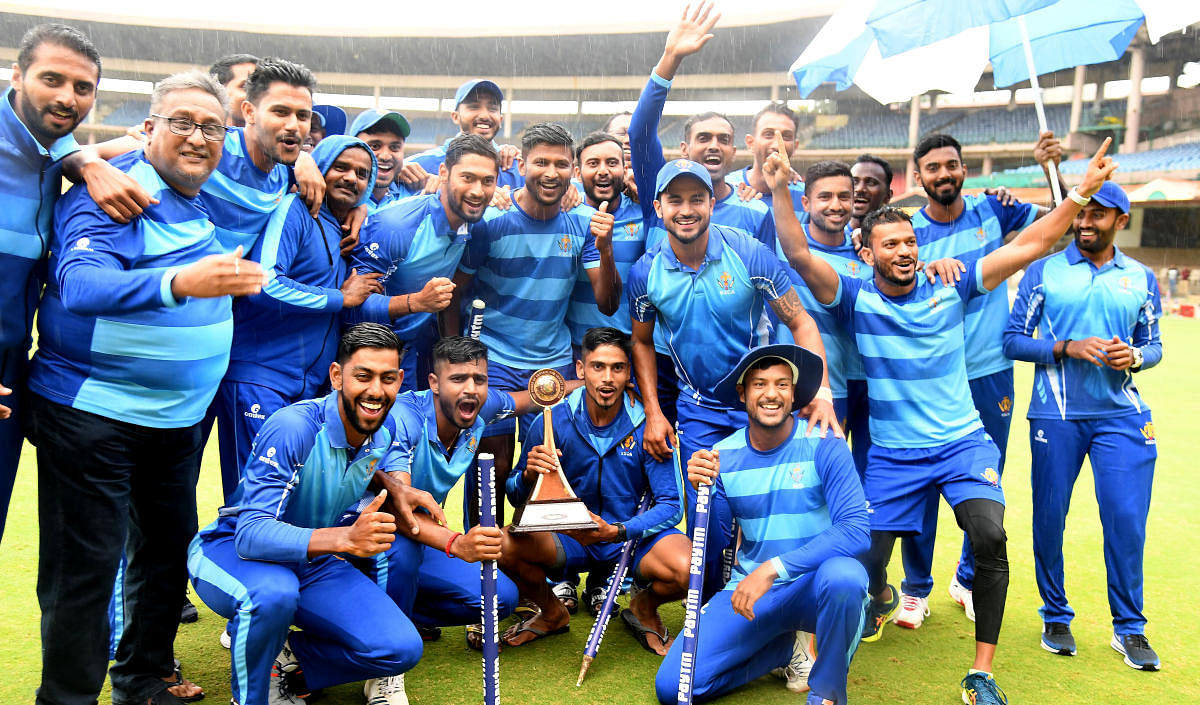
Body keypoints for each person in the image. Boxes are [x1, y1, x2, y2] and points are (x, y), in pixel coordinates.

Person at [768, 134, 1118, 704]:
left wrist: (1079, 192)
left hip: (962, 446)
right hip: (893, 457)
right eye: (890, 245)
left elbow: (1032, 243)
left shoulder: (952, 287)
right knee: (863, 569)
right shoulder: (857, 300)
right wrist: (781, 186)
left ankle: (980, 673)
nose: (904, 251)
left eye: (910, 241)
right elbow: (799, 254)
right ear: (868, 254)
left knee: (989, 534)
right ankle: (874, 610)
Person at [24, 71, 266, 705]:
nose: (197, 138)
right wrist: (180, 283)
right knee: (88, 567)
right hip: (94, 411)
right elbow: (82, 286)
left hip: (176, 418)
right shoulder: (116, 189)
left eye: (211, 127)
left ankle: (143, 677)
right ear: (150, 128)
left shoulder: (200, 199)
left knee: (164, 552)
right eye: (181, 122)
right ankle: (68, 698)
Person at [189, 323, 441, 705]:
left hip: (312, 558)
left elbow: (355, 466)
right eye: (363, 376)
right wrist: (344, 539)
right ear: (337, 376)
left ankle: (282, 654)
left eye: (387, 379)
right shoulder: (294, 427)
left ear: (400, 380)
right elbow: (251, 533)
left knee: (401, 648)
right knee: (274, 593)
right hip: (234, 550)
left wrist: (395, 487)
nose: (376, 391)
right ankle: (253, 696)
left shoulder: (382, 433)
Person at [628, 156, 837, 607]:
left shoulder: (748, 253)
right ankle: (713, 612)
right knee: (711, 519)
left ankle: (788, 615)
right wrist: (653, 412)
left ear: (711, 202)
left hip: (758, 406)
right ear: (659, 208)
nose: (687, 210)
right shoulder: (645, 272)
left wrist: (820, 392)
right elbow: (642, 343)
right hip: (699, 408)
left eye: (697, 199)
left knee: (776, 512)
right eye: (675, 200)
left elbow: (801, 321)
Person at [1003, 180, 1163, 670]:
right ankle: (1055, 615)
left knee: (1126, 522)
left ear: (1121, 220)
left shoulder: (1140, 277)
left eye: (1099, 214)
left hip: (1122, 417)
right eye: (1082, 213)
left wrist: (1133, 355)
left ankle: (1129, 629)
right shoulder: (1044, 271)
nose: (1086, 222)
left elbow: (1153, 346)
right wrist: (1065, 347)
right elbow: (1012, 339)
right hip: (1057, 415)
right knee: (1050, 519)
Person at [655, 344, 869, 705]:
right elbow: (718, 539)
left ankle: (826, 692)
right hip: (751, 591)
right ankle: (781, 650)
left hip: (813, 584)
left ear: (794, 393)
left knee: (846, 577)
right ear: (743, 393)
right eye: (760, 384)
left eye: (782, 384)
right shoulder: (722, 455)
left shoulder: (825, 443)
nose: (771, 394)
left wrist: (772, 569)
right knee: (674, 690)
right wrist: (702, 493)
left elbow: (855, 529)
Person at [900, 132, 1056, 623]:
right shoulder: (908, 230)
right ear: (919, 176)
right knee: (920, 481)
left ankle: (967, 577)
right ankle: (915, 587)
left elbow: (1060, 223)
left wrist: (1054, 169)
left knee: (985, 478)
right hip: (931, 375)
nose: (943, 174)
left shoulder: (996, 210)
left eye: (951, 164)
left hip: (989, 370)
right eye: (933, 167)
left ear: (963, 169)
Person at [446, 122, 620, 521]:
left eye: (561, 164)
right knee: (491, 472)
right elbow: (455, 291)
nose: (551, 172)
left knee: (547, 471)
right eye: (541, 161)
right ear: (522, 164)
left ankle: (534, 571)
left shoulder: (582, 224)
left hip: (552, 364)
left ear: (573, 171)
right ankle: (484, 569)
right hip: (496, 362)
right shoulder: (491, 224)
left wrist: (604, 248)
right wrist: (457, 356)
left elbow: (608, 303)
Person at [215, 135, 397, 500]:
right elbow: (265, 283)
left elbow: (386, 208)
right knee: (250, 501)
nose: (351, 178)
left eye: (363, 173)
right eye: (340, 167)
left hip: (308, 388)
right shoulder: (294, 209)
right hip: (260, 378)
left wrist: (364, 210)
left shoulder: (345, 227)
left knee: (292, 499)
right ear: (318, 169)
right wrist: (340, 297)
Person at [501, 327, 689, 653]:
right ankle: (551, 613)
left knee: (688, 567)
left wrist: (618, 530)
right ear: (580, 369)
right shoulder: (552, 419)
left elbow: (673, 504)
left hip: (628, 540)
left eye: (617, 367)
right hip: (568, 539)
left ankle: (643, 607)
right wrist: (529, 476)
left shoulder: (648, 424)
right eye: (597, 366)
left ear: (629, 371)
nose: (607, 378)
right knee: (503, 544)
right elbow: (515, 494)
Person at [365, 335, 539, 649]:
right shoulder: (404, 417)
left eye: (479, 379)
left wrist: (590, 384)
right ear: (434, 382)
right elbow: (399, 503)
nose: (470, 388)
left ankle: (397, 615)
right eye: (457, 379)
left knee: (500, 599)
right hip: (367, 531)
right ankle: (383, 651)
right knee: (401, 554)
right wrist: (457, 543)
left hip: (419, 535)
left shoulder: (480, 409)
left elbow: (530, 398)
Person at [351, 133, 500, 392]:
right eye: (467, 178)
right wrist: (416, 302)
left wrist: (454, 358)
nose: (478, 191)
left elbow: (451, 296)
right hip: (366, 354)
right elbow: (352, 308)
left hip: (410, 351)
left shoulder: (477, 229)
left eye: (488, 181)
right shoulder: (395, 226)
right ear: (443, 172)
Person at [410, 79, 522, 193]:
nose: (484, 115)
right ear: (455, 117)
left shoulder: (515, 167)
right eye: (474, 106)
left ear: (500, 119)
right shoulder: (421, 165)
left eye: (492, 108)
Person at [349, 108, 427, 210]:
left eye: (394, 147)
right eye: (375, 146)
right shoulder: (337, 200)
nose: (385, 156)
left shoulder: (417, 196)